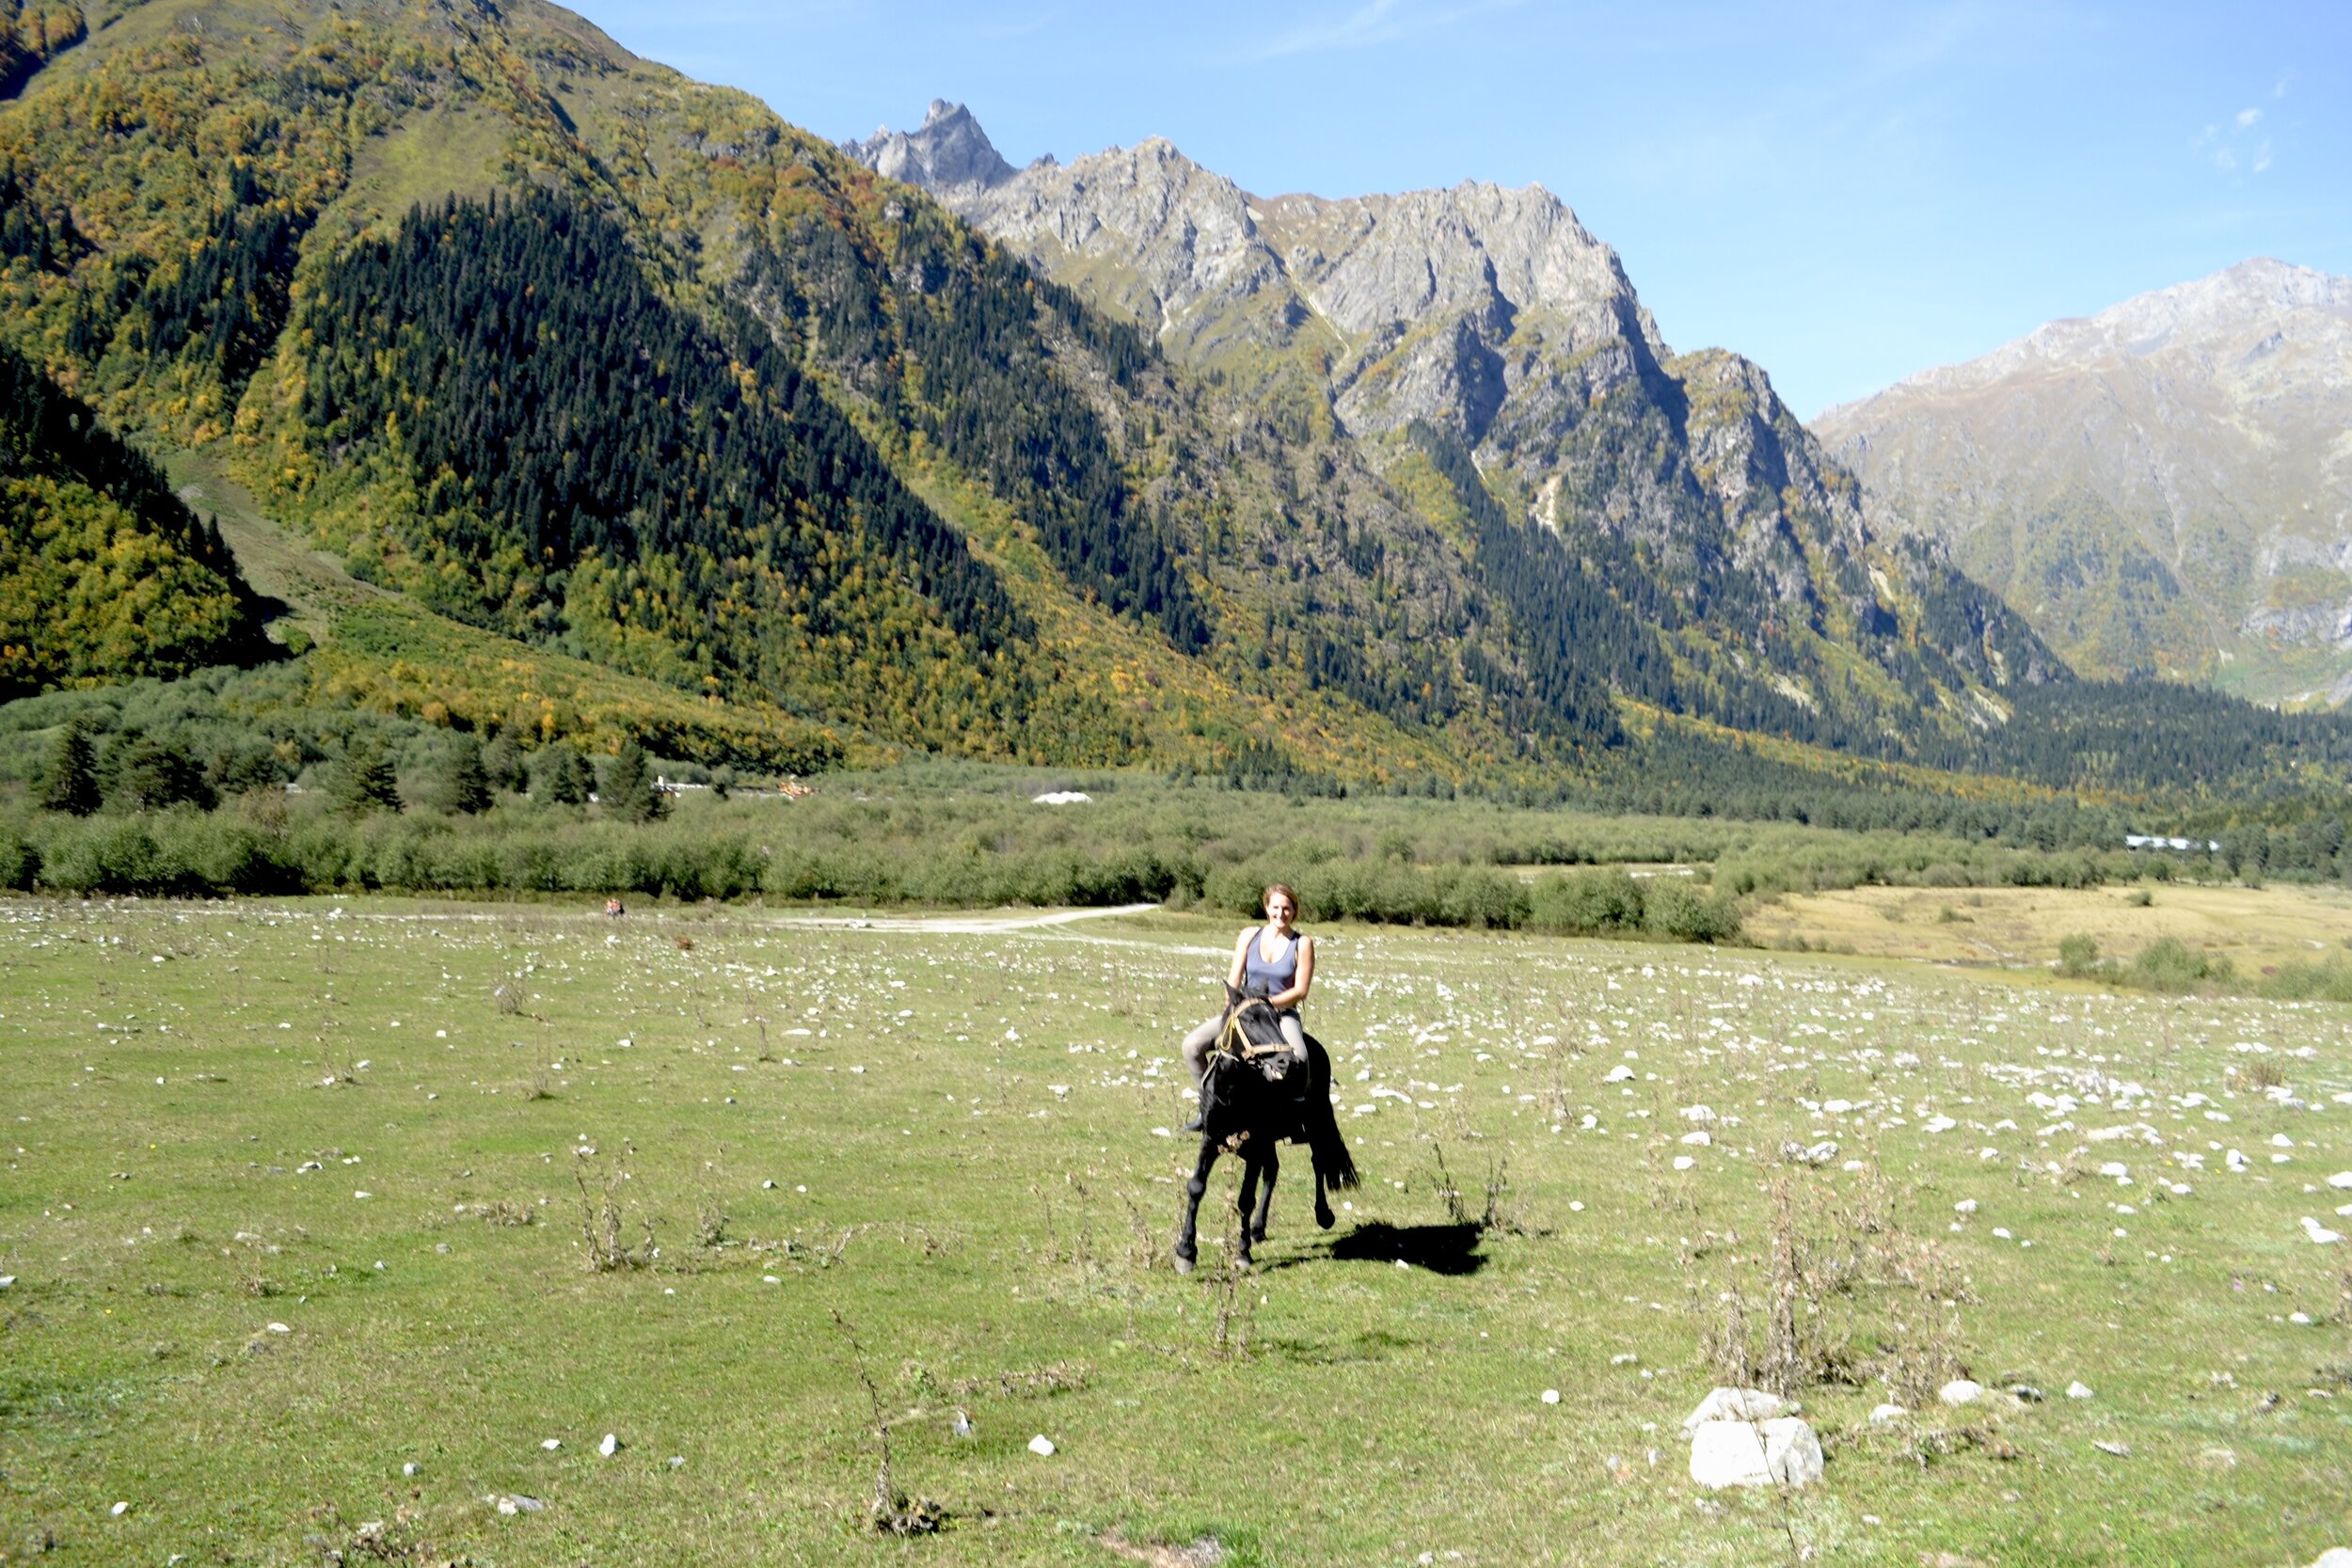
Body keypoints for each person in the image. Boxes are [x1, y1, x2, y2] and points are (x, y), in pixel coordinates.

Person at [1179, 883, 1314, 1132]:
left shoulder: (1302, 943)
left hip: (1281, 1014)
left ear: (1295, 911)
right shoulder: (1249, 935)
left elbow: (1300, 991)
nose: (1280, 914)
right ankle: (1206, 1108)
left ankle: (1298, 1115)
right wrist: (1232, 1008)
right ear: (1266, 908)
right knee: (1192, 1045)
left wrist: (1265, 1003)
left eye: (1287, 908)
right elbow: (1234, 978)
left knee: (1301, 1058)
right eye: (1276, 907)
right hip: (1246, 1013)